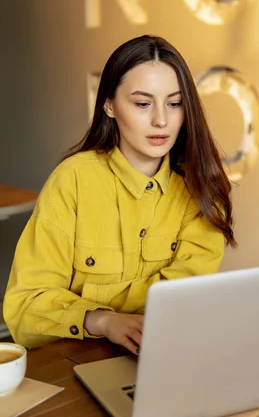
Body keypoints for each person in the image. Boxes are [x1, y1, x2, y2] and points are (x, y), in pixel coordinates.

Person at [4, 35, 236, 354]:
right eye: (142, 103)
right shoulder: (72, 180)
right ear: (109, 105)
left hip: (168, 354)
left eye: (174, 103)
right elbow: (26, 309)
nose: (161, 120)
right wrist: (103, 321)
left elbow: (183, 298)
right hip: (75, 362)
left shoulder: (203, 190)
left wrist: (89, 299)